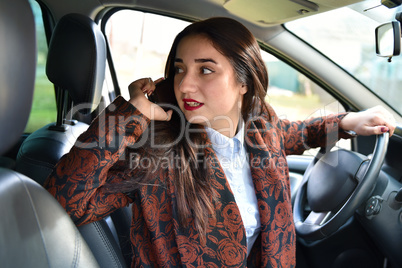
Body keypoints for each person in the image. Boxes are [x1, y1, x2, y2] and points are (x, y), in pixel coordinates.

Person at [45, 17, 396, 268]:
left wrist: (347, 123)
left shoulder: (259, 125)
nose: (184, 86)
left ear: (244, 81)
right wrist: (128, 115)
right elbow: (65, 202)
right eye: (180, 69)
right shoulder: (157, 150)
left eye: (206, 70)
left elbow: (295, 134)